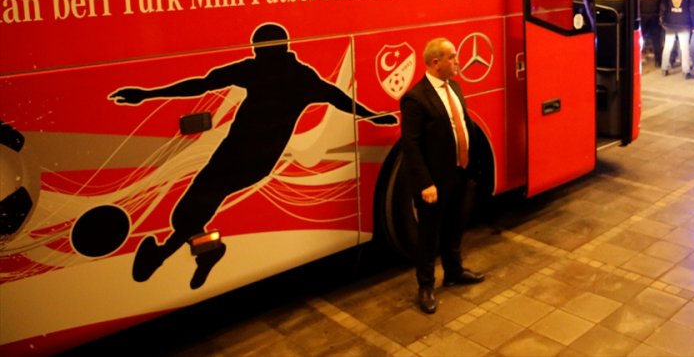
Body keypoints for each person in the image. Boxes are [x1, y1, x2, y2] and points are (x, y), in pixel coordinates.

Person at [110, 23, 399, 289]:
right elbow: (338, 97)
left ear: (264, 49)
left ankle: (174, 255)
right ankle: (198, 253)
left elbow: (202, 83)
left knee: (188, 210)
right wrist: (372, 116)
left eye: (258, 49)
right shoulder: (302, 77)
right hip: (258, 161)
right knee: (197, 207)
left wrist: (147, 94)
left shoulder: (256, 69)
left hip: (237, 155)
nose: (255, 53)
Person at [401, 38, 485, 314]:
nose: (458, 61)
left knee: (455, 226)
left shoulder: (455, 87)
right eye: (453, 57)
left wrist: (472, 165)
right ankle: (426, 286)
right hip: (434, 181)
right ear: (436, 62)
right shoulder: (416, 98)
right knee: (429, 234)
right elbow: (411, 145)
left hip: (459, 172)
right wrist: (425, 182)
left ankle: (454, 271)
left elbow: (463, 125)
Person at [660, 0, 694, 78]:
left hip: (670, 20)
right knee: (684, 46)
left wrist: (662, 18)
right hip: (684, 20)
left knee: (668, 45)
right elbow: (692, 7)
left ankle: (664, 68)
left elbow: (664, 5)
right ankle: (686, 71)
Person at [639, 0, 664, 68]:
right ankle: (658, 61)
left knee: (640, 39)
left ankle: (638, 58)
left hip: (642, 17)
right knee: (656, 40)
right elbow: (661, 5)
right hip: (655, 17)